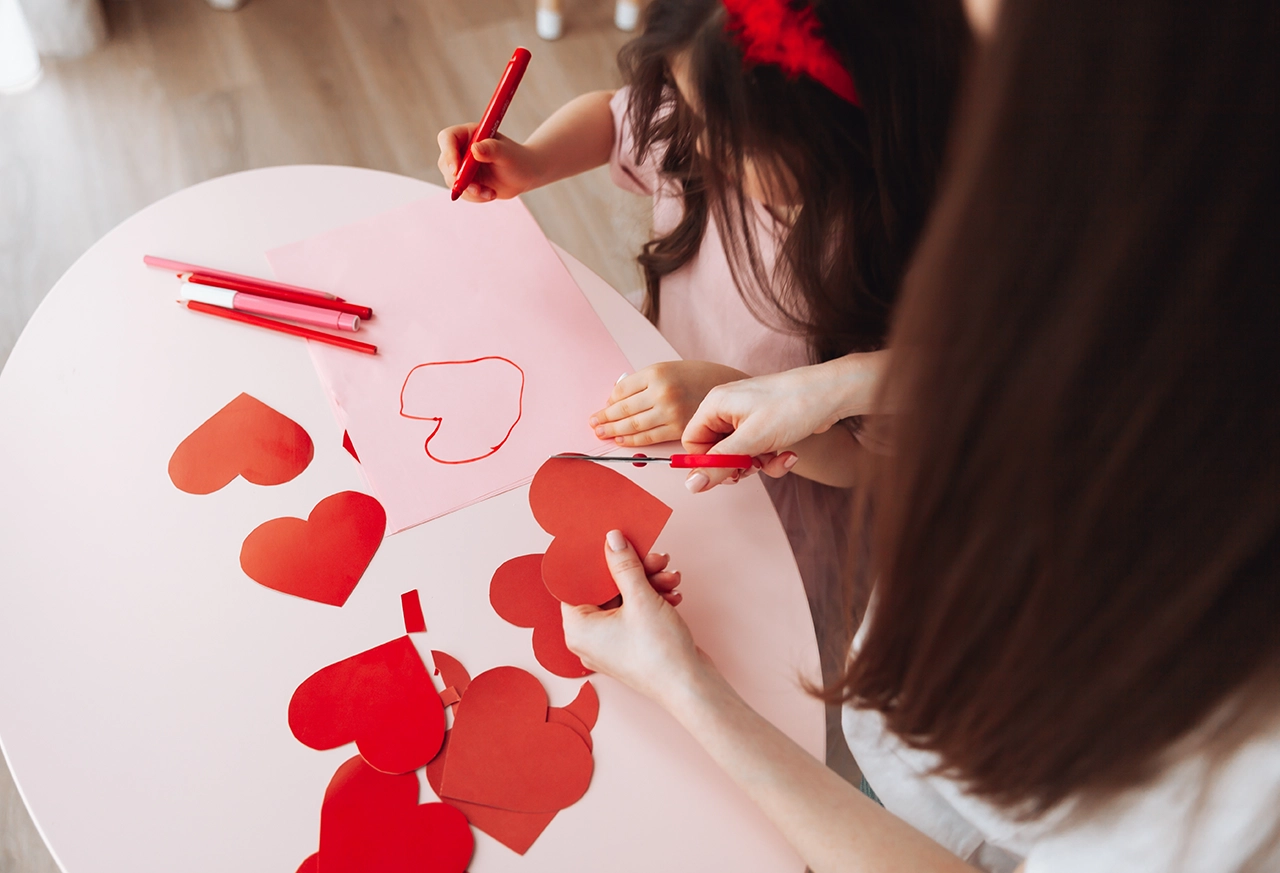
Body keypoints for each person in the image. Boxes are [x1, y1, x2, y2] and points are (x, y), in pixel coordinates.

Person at [561, 0, 1280, 868]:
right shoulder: (1129, 314)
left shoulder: (1229, 751)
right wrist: (840, 385)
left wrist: (692, 690)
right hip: (892, 761)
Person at [438, 0, 970, 753]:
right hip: (663, 405)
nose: (698, 145)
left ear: (842, 135)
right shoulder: (706, 107)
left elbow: (862, 460)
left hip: (789, 502)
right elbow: (617, 119)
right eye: (686, 108)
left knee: (751, 661)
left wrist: (734, 393)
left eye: (737, 141)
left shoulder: (898, 261)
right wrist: (534, 160)